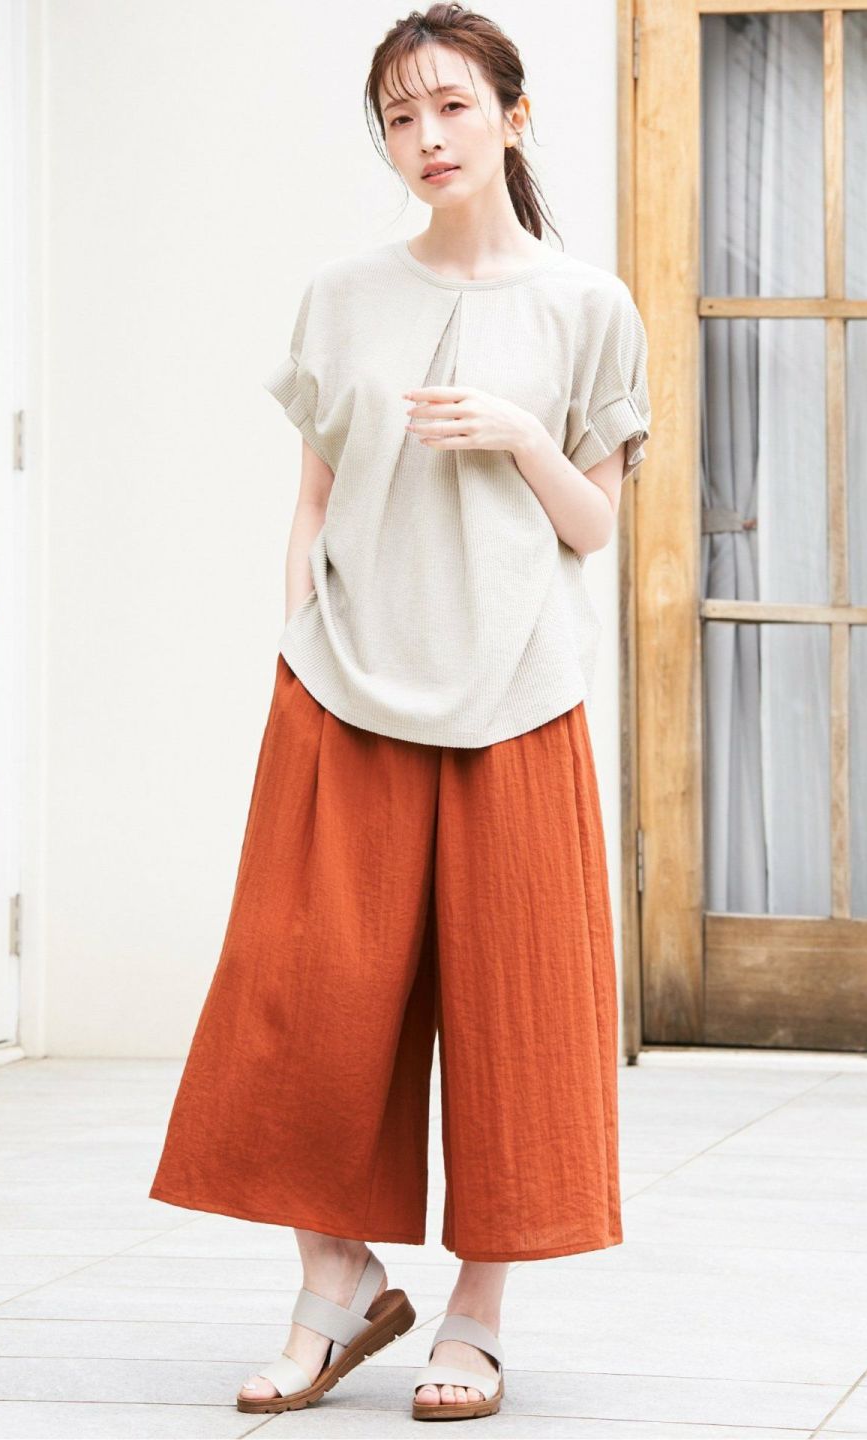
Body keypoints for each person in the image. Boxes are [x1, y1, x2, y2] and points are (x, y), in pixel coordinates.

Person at [148, 2, 651, 1422]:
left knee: (515, 1017)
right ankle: (337, 1289)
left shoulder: (587, 307)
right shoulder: (342, 295)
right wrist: (296, 641)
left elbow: (595, 527)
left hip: (516, 699)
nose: (426, 138)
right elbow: (312, 494)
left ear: (514, 116)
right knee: (303, 1006)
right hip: (345, 689)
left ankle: (476, 1321)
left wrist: (520, 435)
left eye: (450, 107)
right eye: (398, 117)